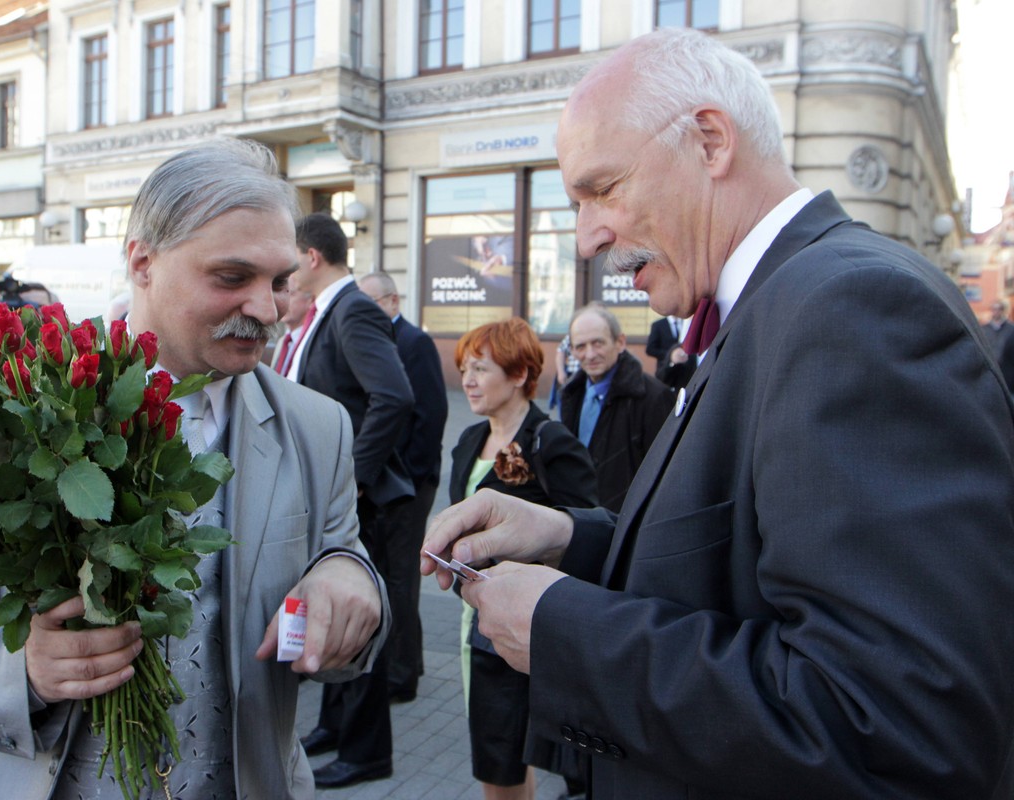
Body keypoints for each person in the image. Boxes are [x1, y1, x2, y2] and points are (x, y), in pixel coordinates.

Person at [422, 27, 1014, 800]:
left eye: (602, 189)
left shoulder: (849, 309)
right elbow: (744, 563)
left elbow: (893, 725)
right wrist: (571, 539)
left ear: (709, 141)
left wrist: (568, 632)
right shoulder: (783, 299)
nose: (588, 238)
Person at [0, 138, 390, 799]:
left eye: (279, 282)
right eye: (232, 277)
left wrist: (351, 580)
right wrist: (20, 671)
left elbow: (342, 559)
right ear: (142, 261)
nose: (265, 307)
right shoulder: (10, 402)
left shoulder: (318, 426)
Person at [288, 213, 413, 789]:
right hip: (334, 496)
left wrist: (353, 479)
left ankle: (367, 752)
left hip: (361, 502)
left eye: (288, 258)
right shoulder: (326, 313)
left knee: (358, 621)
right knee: (331, 612)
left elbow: (393, 396)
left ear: (311, 257)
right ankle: (335, 727)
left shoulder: (353, 307)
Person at [448, 317, 597, 800]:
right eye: (464, 368)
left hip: (525, 626)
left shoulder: (550, 442)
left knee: (500, 758)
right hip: (474, 622)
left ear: (518, 374)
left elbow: (586, 532)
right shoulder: (469, 441)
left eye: (481, 368)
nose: (468, 379)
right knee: (502, 753)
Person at [357, 270, 448, 703]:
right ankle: (404, 661)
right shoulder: (373, 340)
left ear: (393, 301)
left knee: (400, 580)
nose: (361, 311)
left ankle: (402, 676)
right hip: (386, 484)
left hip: (409, 485)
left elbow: (431, 417)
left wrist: (407, 478)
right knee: (390, 576)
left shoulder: (415, 342)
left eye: (370, 302)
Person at [559, 303, 671, 512]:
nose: (590, 354)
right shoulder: (570, 395)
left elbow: (665, 476)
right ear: (572, 351)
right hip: (581, 517)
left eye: (598, 343)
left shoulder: (654, 396)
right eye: (580, 346)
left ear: (620, 342)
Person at [271, 276, 314, 374]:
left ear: (310, 300)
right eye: (280, 292)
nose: (284, 301)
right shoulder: (283, 342)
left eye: (292, 294)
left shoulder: (314, 343)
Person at [645, 314, 695, 391]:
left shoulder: (687, 323)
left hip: (685, 372)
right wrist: (670, 356)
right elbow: (650, 349)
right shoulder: (658, 325)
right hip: (666, 370)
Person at [982, 298, 1014, 389]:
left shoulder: (1011, 330)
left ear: (1004, 310)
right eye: (993, 308)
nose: (995, 311)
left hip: (1008, 376)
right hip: (989, 374)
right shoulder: (984, 329)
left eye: (999, 308)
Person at [546, 334, 579, 413]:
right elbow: (561, 351)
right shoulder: (574, 334)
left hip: (591, 377)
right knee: (568, 408)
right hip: (573, 376)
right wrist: (561, 372)